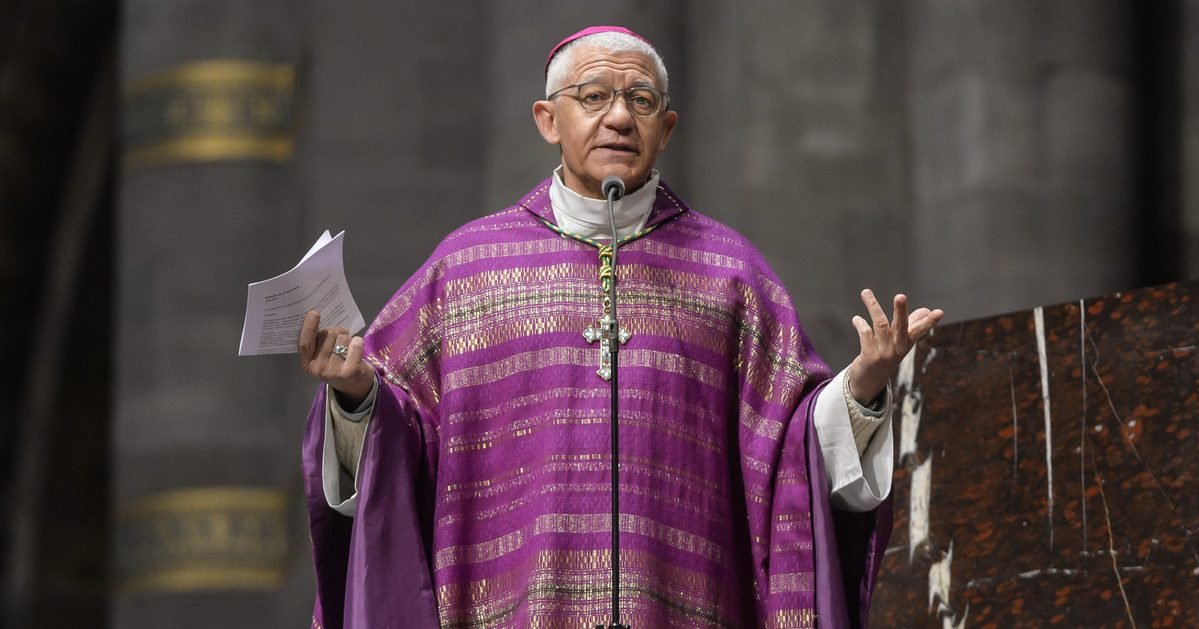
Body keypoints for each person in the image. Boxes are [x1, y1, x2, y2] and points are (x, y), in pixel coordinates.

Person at [299, 25, 943, 628]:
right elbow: (399, 447)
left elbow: (788, 447)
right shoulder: (466, 270)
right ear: (548, 119)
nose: (618, 117)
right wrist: (357, 399)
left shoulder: (730, 275)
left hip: (685, 601)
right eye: (595, 96)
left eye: (640, 100)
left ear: (666, 129)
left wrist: (860, 391)